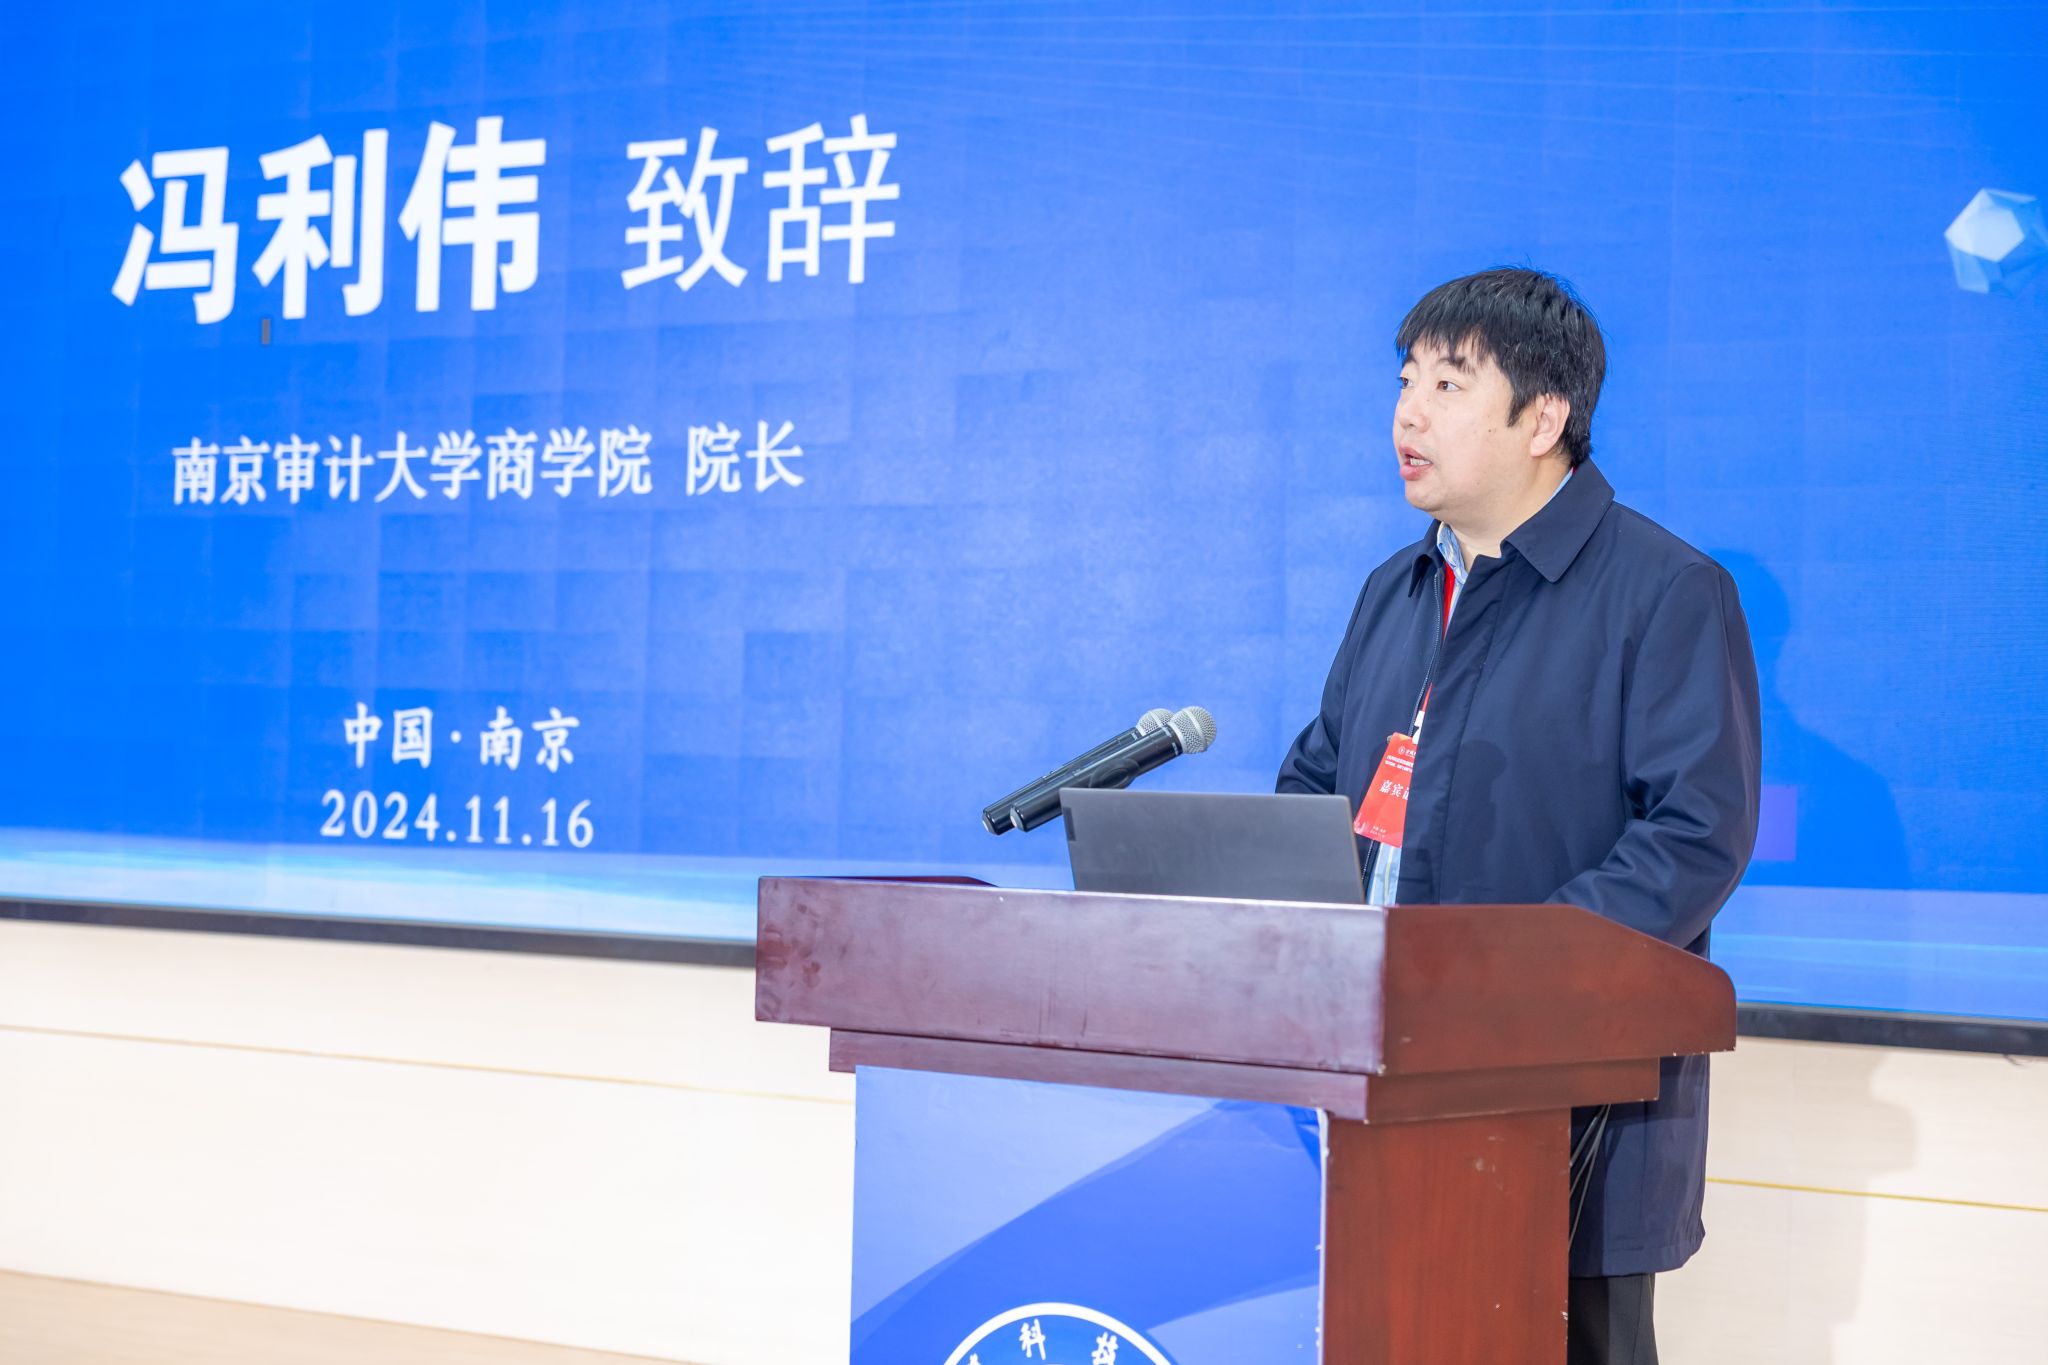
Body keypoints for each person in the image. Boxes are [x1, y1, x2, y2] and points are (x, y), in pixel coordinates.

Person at [1277, 267, 1761, 1365]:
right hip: (1372, 1089)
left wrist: (1498, 974)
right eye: (1405, 381)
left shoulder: (1664, 590)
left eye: (1448, 385)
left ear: (1543, 419)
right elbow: (1315, 786)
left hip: (1569, 1109)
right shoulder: (1395, 590)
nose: (1408, 414)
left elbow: (1692, 834)